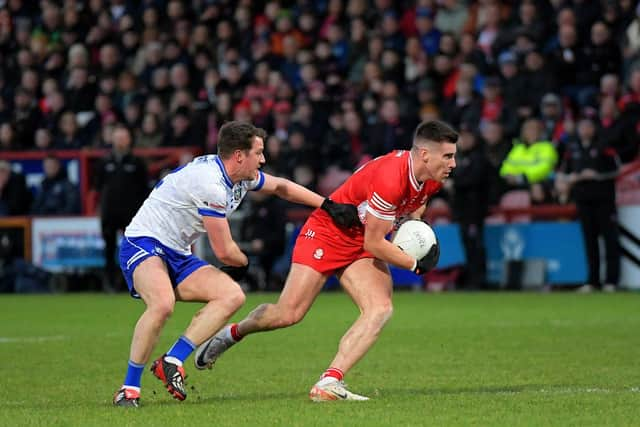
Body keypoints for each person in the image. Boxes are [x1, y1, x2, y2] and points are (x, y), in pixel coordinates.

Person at [194, 120, 457, 401]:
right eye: (448, 156)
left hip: (361, 237)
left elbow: (415, 204)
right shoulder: (392, 176)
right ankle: (232, 333)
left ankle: (330, 382)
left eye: (453, 155)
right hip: (328, 232)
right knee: (288, 314)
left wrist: (415, 227)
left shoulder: (431, 176)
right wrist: (414, 263)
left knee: (380, 309)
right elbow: (375, 242)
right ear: (425, 155)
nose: (453, 163)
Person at [112, 121, 359, 407]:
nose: (264, 160)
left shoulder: (239, 177)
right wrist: (242, 263)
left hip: (176, 252)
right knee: (163, 303)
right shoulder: (212, 185)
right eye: (259, 153)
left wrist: (327, 205)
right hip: (143, 242)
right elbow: (226, 252)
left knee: (232, 296)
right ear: (239, 155)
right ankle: (128, 389)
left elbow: (281, 187)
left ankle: (171, 360)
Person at [555, 117, 620, 292]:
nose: (585, 130)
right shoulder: (572, 149)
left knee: (610, 240)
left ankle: (611, 281)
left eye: (588, 126)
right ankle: (593, 280)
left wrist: (596, 175)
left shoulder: (604, 147)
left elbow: (617, 170)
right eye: (581, 126)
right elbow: (563, 173)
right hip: (583, 200)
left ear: (594, 128)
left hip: (604, 199)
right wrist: (571, 178)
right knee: (589, 242)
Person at [94, 124, 149, 291]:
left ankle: (134, 284)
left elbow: (144, 190)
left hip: (131, 215)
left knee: (133, 250)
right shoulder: (104, 163)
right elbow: (98, 188)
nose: (120, 142)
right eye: (117, 138)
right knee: (109, 250)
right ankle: (109, 283)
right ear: (111, 140)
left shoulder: (137, 163)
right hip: (109, 213)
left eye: (123, 138)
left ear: (129, 140)